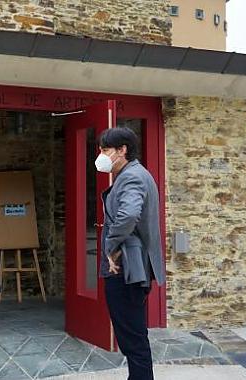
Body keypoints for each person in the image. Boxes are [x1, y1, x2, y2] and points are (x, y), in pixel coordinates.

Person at [96, 128, 166, 380]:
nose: (101, 156)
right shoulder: (132, 174)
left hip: (127, 268)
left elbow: (128, 215)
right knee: (131, 335)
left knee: (132, 338)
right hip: (129, 266)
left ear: (122, 150)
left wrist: (110, 247)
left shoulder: (132, 177)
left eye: (105, 150)